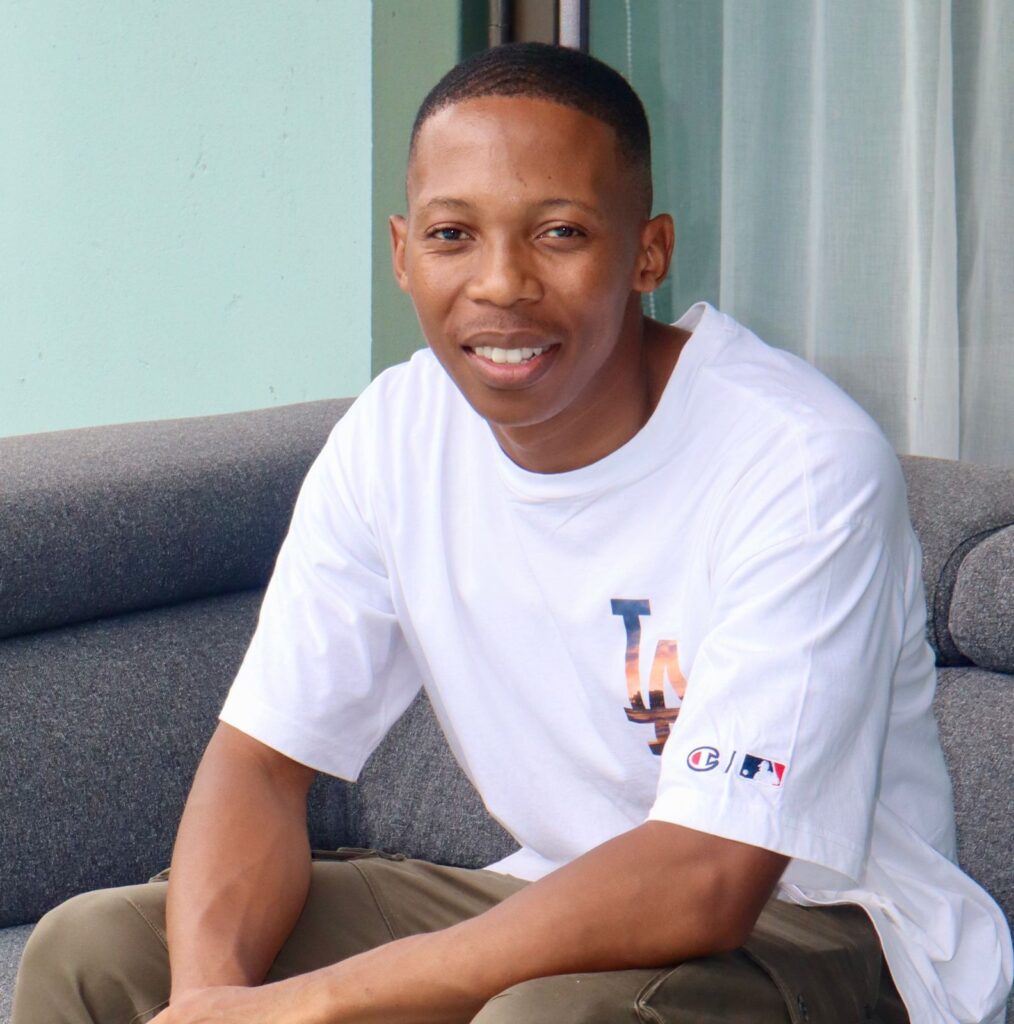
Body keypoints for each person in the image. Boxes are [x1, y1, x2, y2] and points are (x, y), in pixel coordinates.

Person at [13, 41, 1012, 1024]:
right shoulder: (395, 436)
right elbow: (262, 763)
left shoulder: (796, 461)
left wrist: (309, 1004)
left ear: (647, 252)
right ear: (403, 253)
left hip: (828, 930)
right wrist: (207, 1002)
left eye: (560, 233)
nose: (501, 283)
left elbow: (707, 878)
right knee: (98, 955)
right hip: (553, 892)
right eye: (454, 235)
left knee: (545, 1017)